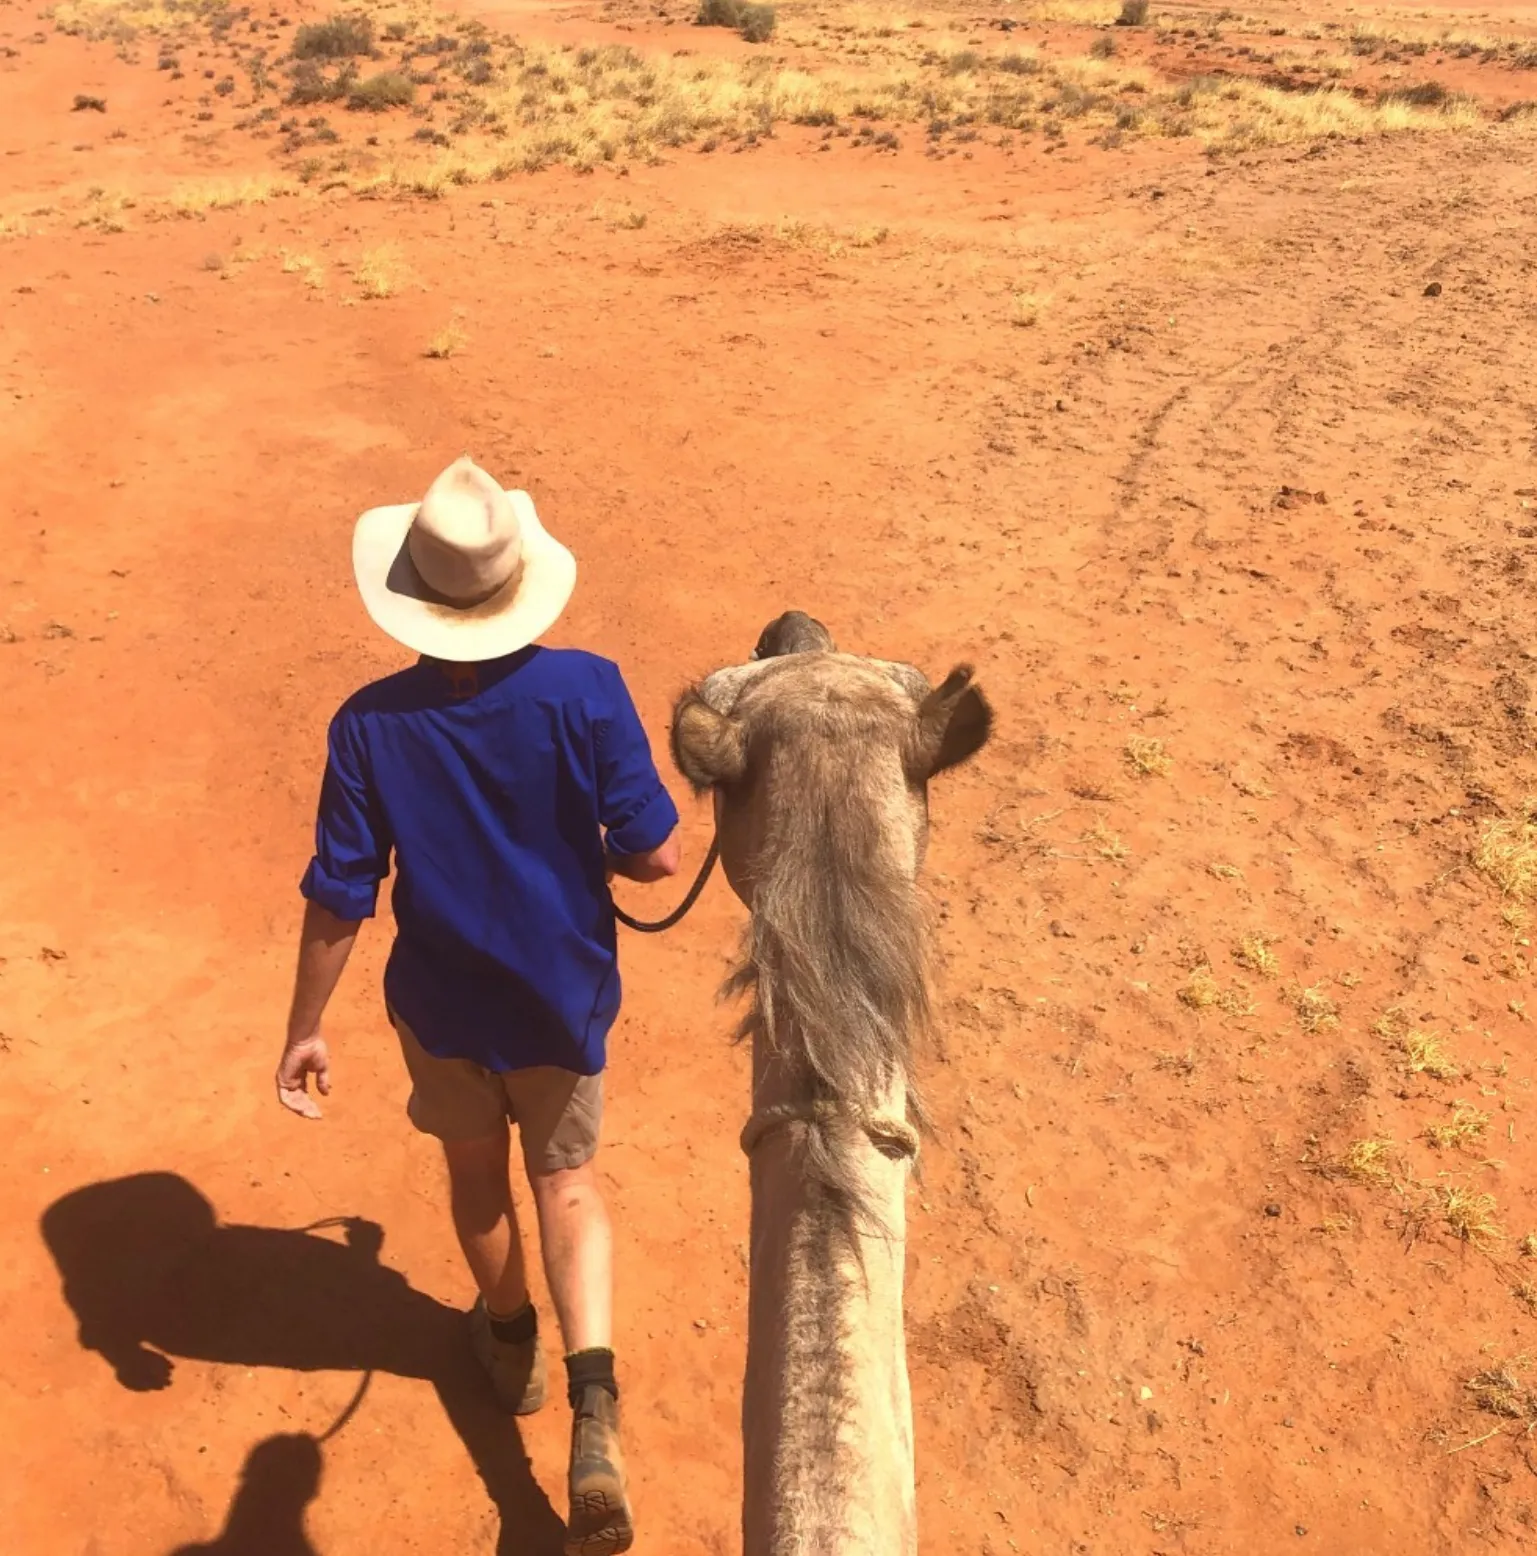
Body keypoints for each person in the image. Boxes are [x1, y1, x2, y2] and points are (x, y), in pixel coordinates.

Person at [275, 456, 680, 1556]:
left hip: (441, 1001)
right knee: (570, 1180)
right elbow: (653, 856)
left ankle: (511, 1344)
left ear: (415, 594)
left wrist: (304, 1026)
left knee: (475, 1177)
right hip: (561, 990)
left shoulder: (367, 725)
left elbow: (340, 895)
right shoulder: (588, 687)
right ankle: (595, 1406)